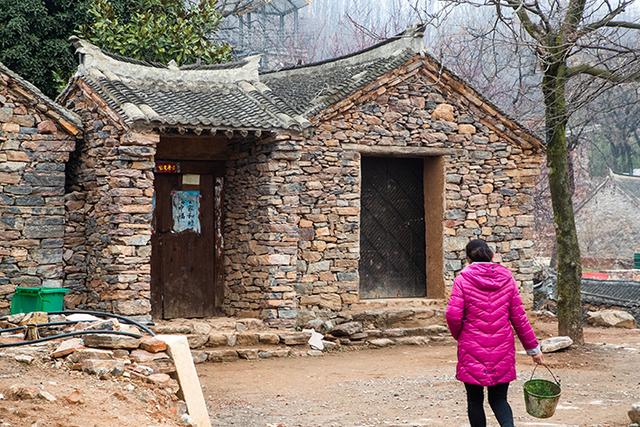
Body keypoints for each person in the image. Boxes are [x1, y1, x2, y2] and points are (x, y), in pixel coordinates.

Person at [446, 239, 544, 427]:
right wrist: (534, 349)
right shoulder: (507, 279)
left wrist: (460, 334)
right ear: (491, 256)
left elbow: (452, 314)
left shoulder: (462, 279)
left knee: (474, 401)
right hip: (502, 348)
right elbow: (519, 318)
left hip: (471, 347)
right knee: (499, 400)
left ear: (468, 259)